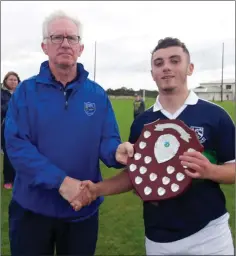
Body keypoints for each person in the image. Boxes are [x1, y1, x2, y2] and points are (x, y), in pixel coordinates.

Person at [75, 37, 235, 255]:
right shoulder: (142, 123)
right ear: (152, 74)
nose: (166, 67)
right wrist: (96, 189)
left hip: (210, 234)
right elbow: (134, 174)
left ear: (190, 68)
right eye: (159, 63)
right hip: (159, 237)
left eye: (174, 60)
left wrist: (211, 171)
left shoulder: (215, 116)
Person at [4, 10, 133, 256]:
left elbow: (107, 140)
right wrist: (61, 182)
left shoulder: (97, 94)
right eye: (57, 37)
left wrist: (117, 152)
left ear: (80, 48)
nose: (65, 43)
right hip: (31, 210)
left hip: (82, 212)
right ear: (45, 46)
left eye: (71, 38)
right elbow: (17, 147)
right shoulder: (25, 92)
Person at [1, 71, 20, 189]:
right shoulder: (2, 94)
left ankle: (19, 177)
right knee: (8, 153)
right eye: (10, 79)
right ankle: (8, 179)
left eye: (15, 80)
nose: (13, 82)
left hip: (22, 127)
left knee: (22, 152)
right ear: (5, 81)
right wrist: (12, 103)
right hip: (7, 126)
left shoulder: (23, 93)